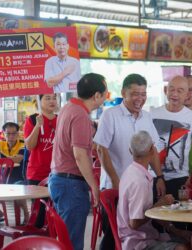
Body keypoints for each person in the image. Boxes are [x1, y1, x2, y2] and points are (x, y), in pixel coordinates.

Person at [94, 73, 165, 249]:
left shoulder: (146, 117)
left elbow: (153, 149)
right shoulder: (110, 115)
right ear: (123, 92)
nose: (139, 99)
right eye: (135, 93)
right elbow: (101, 149)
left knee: (141, 232)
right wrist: (116, 182)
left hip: (142, 186)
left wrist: (160, 177)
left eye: (143, 94)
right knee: (113, 235)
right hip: (115, 187)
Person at [49, 73, 107, 250]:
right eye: (105, 93)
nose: (106, 97)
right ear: (96, 95)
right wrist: (94, 187)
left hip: (59, 180)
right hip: (71, 184)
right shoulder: (81, 115)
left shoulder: (68, 107)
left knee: (66, 239)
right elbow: (80, 155)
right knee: (72, 243)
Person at [117, 131, 190, 250]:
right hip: (138, 242)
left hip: (146, 235)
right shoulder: (139, 181)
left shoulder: (131, 172)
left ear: (130, 151)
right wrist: (158, 205)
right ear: (152, 149)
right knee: (184, 247)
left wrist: (176, 231)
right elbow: (134, 223)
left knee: (190, 239)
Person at [151, 75, 192, 199]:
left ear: (187, 95)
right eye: (171, 89)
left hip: (180, 179)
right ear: (165, 91)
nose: (174, 94)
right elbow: (148, 147)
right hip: (153, 177)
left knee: (178, 216)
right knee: (153, 215)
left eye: (180, 91)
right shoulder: (153, 114)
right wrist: (157, 176)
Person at [23, 94, 58, 226]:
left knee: (55, 213)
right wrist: (38, 126)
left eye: (54, 98)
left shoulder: (61, 120)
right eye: (47, 98)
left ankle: (52, 242)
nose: (52, 101)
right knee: (39, 214)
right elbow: (30, 146)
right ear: (40, 101)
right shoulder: (32, 120)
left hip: (57, 173)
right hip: (36, 173)